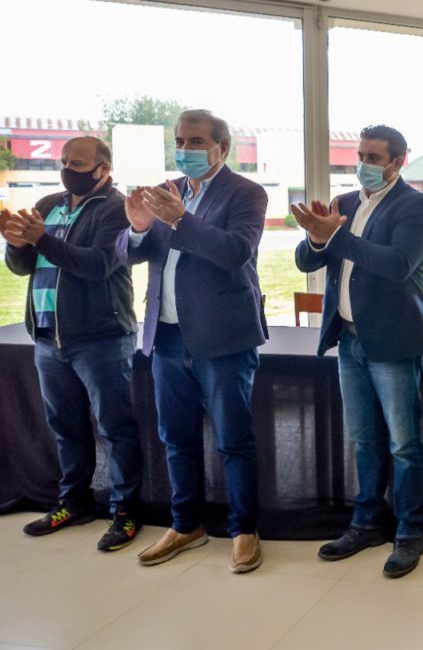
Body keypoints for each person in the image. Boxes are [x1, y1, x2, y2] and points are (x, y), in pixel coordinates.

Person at [116, 109, 268, 573]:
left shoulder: (246, 193)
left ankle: (244, 530)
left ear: (222, 148)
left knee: (233, 439)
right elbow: (129, 254)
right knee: (176, 438)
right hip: (166, 336)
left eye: (197, 142)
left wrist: (181, 220)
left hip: (223, 337)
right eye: (180, 141)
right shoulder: (169, 191)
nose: (185, 149)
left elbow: (235, 252)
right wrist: (138, 227)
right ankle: (186, 526)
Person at [292, 124, 423, 578]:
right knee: (363, 439)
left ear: (398, 161)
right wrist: (317, 236)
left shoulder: (418, 207)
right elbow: (306, 260)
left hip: (392, 342)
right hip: (349, 339)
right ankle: (366, 524)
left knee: (403, 444)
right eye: (360, 156)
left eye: (373, 158)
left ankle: (409, 532)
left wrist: (335, 236)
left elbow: (397, 265)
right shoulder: (346, 204)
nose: (363, 165)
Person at [1, 136, 143, 552]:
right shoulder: (48, 205)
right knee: (66, 428)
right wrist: (16, 244)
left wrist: (41, 239)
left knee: (115, 429)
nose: (67, 170)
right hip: (48, 337)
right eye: (63, 162)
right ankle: (74, 503)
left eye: (76, 163)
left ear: (103, 168)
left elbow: (99, 265)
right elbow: (23, 266)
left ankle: (125, 511)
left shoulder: (117, 210)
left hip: (101, 338)